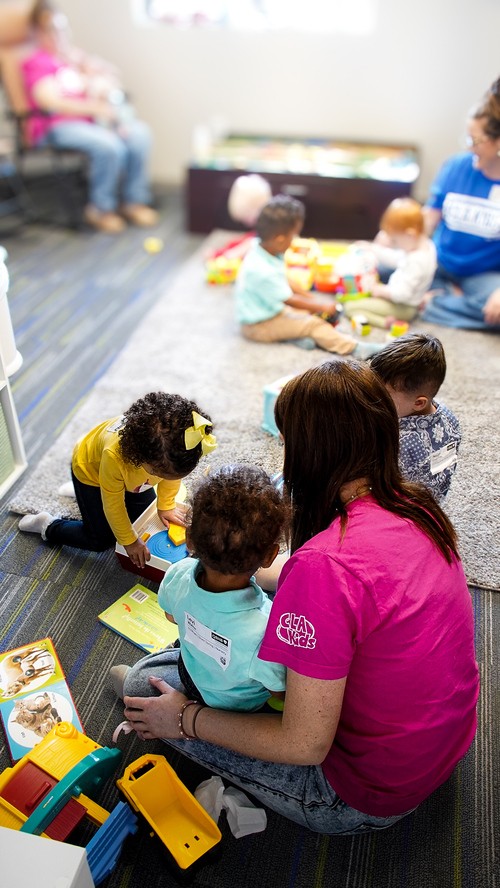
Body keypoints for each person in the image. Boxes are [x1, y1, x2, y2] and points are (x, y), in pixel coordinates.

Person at [113, 360, 479, 836]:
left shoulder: (321, 568)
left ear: (311, 453)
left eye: (287, 441)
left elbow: (304, 744)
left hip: (360, 792)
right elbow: (347, 589)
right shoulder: (414, 504)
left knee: (146, 687)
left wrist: (186, 718)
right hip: (440, 739)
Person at [113, 465, 289, 712]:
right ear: (270, 556)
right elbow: (279, 691)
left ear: (189, 539)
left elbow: (171, 616)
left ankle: (138, 689)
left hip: (192, 674)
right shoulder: (269, 627)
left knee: (141, 678)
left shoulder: (177, 573)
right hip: (236, 709)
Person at [18, 392, 216, 570]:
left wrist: (165, 505)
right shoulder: (115, 456)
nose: (165, 479)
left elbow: (172, 476)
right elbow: (113, 506)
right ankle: (48, 525)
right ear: (138, 456)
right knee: (101, 540)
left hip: (124, 478)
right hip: (89, 471)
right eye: (160, 473)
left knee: (143, 517)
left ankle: (87, 496)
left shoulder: (172, 451)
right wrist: (129, 542)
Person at [20, 1, 159, 234]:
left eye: (62, 29)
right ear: (37, 33)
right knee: (109, 145)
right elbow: (50, 102)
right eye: (50, 30)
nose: (58, 36)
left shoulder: (73, 60)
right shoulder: (37, 63)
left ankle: (134, 201)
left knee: (139, 134)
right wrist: (95, 108)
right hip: (57, 125)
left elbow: (112, 79)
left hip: (92, 122)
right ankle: (101, 208)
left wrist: (94, 70)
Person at [234, 195, 385, 360]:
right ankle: (355, 348)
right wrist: (321, 307)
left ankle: (295, 336)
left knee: (305, 311)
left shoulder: (264, 249)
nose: (295, 240)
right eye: (294, 236)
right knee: (313, 324)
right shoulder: (263, 271)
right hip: (258, 326)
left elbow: (285, 281)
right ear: (280, 240)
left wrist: (311, 299)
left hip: (269, 309)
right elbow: (290, 299)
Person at [421, 75, 500, 329]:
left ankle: (433, 303)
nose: (469, 147)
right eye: (467, 138)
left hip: (483, 275)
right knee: (383, 267)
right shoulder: (456, 166)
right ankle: (446, 300)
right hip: (439, 262)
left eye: (475, 141)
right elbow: (429, 218)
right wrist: (400, 240)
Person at [370, 333, 460, 502]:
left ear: (418, 403)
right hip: (435, 499)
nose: (374, 397)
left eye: (384, 395)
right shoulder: (450, 417)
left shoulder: (398, 440)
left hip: (404, 507)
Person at [344, 197, 437, 328]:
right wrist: (373, 248)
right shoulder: (425, 245)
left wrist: (381, 291)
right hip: (403, 299)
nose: (394, 245)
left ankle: (385, 322)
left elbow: (402, 294)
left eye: (395, 241)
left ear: (410, 235)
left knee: (349, 307)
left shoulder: (417, 262)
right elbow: (397, 258)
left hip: (403, 307)